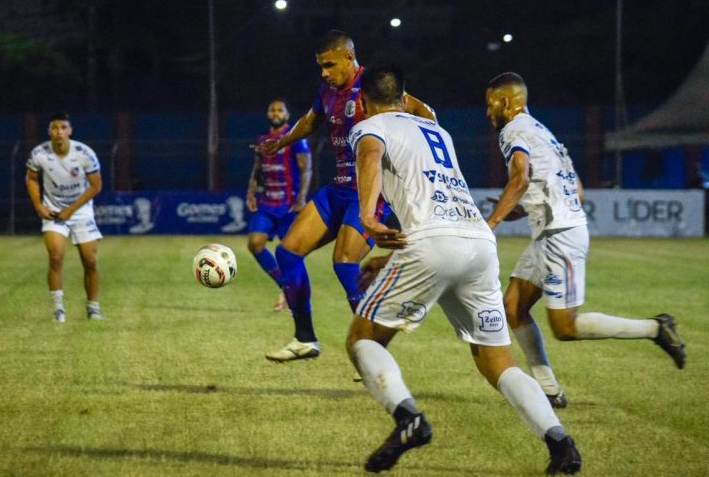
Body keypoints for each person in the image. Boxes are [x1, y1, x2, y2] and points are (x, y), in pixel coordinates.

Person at [347, 64, 581, 474]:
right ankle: (560, 443)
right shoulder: (439, 132)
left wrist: (367, 215)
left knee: (363, 339)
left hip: (431, 245)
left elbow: (370, 155)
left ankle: (408, 421)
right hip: (476, 245)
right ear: (405, 98)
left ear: (364, 102)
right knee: (498, 361)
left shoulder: (370, 126)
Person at [484, 72, 686, 408]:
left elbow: (521, 175)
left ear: (505, 102)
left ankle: (656, 328)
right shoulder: (541, 131)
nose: (488, 112)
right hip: (553, 231)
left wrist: (492, 221)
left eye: (489, 104)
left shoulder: (513, 129)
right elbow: (576, 189)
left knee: (565, 327)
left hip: (560, 235)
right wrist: (527, 208)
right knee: (513, 307)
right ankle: (549, 391)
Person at [254, 30, 436, 362]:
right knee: (288, 253)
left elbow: (425, 114)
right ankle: (305, 339)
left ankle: (373, 349)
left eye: (329, 65)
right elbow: (311, 121)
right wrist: (279, 143)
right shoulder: (328, 91)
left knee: (344, 262)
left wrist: (423, 157)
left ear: (349, 59)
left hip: (367, 193)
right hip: (337, 189)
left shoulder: (373, 86)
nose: (323, 73)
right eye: (320, 67)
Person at [25, 113, 105, 323]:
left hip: (80, 211)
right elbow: (31, 179)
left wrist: (71, 210)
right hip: (53, 210)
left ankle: (93, 308)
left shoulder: (84, 153)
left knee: (90, 261)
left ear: (70, 131)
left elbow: (97, 186)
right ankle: (58, 309)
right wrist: (38, 206)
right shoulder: (39, 153)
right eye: (55, 128)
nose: (59, 132)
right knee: (56, 257)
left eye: (63, 127)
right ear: (49, 131)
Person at [247, 99, 312, 312]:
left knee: (290, 253)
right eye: (272, 109)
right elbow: (257, 168)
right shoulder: (263, 139)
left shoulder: (295, 139)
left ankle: (299, 296)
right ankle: (284, 286)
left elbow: (306, 169)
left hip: (288, 205)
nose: (275, 113)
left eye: (279, 110)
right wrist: (251, 192)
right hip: (267, 202)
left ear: (287, 115)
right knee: (255, 243)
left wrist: (301, 199)